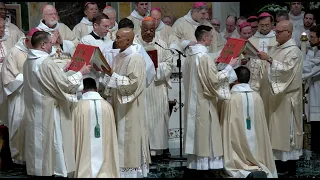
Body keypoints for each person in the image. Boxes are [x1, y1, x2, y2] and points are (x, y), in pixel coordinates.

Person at [23, 31, 91, 177]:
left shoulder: (29, 60)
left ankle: (39, 169)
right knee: (54, 141)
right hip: (49, 110)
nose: (52, 45)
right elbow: (64, 85)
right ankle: (55, 170)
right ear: (42, 45)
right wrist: (81, 73)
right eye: (49, 43)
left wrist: (62, 70)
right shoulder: (46, 63)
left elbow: (44, 79)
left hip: (35, 108)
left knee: (39, 142)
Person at [183, 25, 238, 178]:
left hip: (193, 102)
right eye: (211, 37)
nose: (212, 40)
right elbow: (213, 81)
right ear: (205, 38)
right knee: (206, 134)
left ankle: (195, 165)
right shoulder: (204, 58)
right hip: (204, 102)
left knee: (197, 135)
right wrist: (229, 68)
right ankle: (205, 168)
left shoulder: (190, 57)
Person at [258, 20, 303, 175]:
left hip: (286, 98)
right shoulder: (277, 48)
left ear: (288, 33)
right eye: (275, 31)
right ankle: (276, 164)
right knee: (274, 131)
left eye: (279, 32)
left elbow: (287, 71)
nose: (275, 34)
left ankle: (288, 167)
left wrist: (269, 60)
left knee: (285, 132)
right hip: (274, 98)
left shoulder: (293, 51)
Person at [105, 28, 150, 178]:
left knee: (130, 137)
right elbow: (115, 77)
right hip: (120, 105)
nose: (116, 40)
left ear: (128, 41)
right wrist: (107, 72)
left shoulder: (135, 58)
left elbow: (134, 83)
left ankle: (131, 172)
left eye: (119, 38)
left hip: (130, 107)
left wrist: (112, 75)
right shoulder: (119, 56)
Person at [220, 66, 277, 178]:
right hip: (256, 144)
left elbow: (224, 124)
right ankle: (257, 164)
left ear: (235, 79)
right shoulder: (257, 97)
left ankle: (241, 166)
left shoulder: (229, 98)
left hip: (236, 143)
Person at [134, 17, 173, 159]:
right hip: (141, 88)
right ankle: (143, 150)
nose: (149, 33)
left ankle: (158, 151)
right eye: (146, 29)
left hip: (156, 88)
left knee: (157, 119)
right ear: (141, 27)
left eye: (152, 30)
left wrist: (155, 67)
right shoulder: (134, 44)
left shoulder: (162, 44)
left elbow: (169, 64)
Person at [0, 28, 39, 165]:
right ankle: (19, 158)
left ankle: (32, 157)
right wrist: (28, 77)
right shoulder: (14, 53)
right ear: (27, 40)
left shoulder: (36, 50)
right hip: (19, 96)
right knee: (19, 125)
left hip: (36, 96)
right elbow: (8, 79)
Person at [73, 78, 119, 178]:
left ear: (83, 90)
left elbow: (73, 135)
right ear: (97, 89)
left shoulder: (78, 106)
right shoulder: (107, 106)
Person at [246, 12, 277, 121]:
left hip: (270, 77)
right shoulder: (251, 40)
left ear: (272, 24)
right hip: (255, 78)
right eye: (261, 25)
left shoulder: (277, 40)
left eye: (267, 25)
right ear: (258, 25)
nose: (264, 28)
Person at [37, 4, 79, 69]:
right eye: (50, 14)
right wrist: (50, 44)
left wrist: (63, 43)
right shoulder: (37, 32)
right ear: (43, 17)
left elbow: (77, 45)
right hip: (51, 67)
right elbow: (36, 54)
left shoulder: (63, 27)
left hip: (68, 64)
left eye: (55, 14)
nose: (54, 16)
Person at [302, 25, 320, 153]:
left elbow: (309, 69)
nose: (309, 40)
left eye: (313, 37)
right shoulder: (313, 50)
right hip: (313, 90)